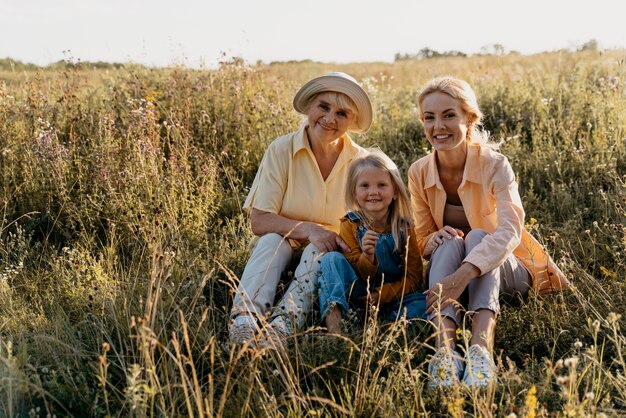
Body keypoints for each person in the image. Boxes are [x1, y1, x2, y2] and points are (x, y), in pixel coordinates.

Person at [407, 76, 568, 388]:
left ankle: (481, 350)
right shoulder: (419, 171)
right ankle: (445, 354)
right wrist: (433, 240)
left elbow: (510, 230)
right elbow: (422, 237)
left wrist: (462, 275)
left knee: (480, 236)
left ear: (470, 118)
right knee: (451, 239)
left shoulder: (496, 164)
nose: (438, 126)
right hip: (451, 269)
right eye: (429, 117)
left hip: (510, 270)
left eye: (449, 115)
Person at [229, 72, 373, 346]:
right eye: (323, 107)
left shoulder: (361, 162)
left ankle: (282, 325)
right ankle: (244, 322)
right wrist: (308, 229)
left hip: (328, 254)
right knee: (272, 239)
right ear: (309, 106)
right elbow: (258, 222)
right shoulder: (281, 150)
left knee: (320, 249)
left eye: (342, 113)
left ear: (352, 121)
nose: (330, 119)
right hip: (280, 247)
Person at [319, 150, 426, 334]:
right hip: (357, 296)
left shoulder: (405, 227)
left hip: (393, 298)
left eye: (382, 185)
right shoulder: (350, 224)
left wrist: (381, 295)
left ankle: (379, 329)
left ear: (395, 192)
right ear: (354, 192)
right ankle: (336, 328)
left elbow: (414, 279)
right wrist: (367, 256)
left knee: (427, 303)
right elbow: (351, 271)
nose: (373, 192)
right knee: (331, 259)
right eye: (365, 186)